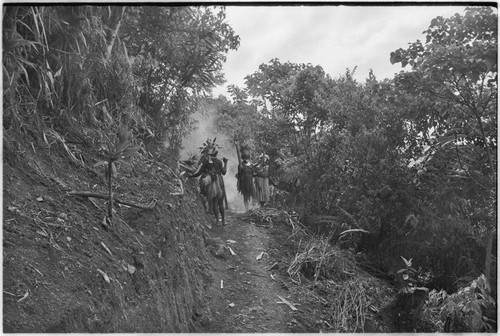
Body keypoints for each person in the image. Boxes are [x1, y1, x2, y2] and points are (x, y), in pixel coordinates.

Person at [189, 141, 228, 226]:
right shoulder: (219, 162)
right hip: (219, 183)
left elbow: (199, 172)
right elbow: (224, 172)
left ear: (209, 154)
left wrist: (192, 176)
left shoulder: (206, 162)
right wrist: (226, 163)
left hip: (212, 184)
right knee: (220, 202)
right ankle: (224, 221)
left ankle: (217, 221)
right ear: (216, 154)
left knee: (214, 202)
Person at [235, 144, 255, 212]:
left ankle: (254, 208)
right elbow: (239, 174)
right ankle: (247, 209)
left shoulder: (251, 165)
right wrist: (240, 170)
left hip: (250, 182)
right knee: (246, 196)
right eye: (245, 157)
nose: (246, 159)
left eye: (247, 157)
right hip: (244, 182)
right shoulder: (241, 165)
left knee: (254, 195)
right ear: (243, 158)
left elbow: (252, 173)